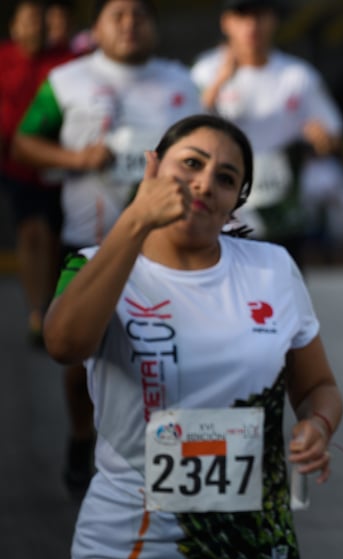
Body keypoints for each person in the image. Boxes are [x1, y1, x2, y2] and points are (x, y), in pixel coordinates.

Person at [42, 113, 343, 559]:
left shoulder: (273, 267)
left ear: (235, 202)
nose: (203, 184)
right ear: (154, 167)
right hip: (132, 540)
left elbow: (320, 387)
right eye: (191, 164)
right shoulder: (92, 266)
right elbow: (64, 345)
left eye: (225, 178)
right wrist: (135, 222)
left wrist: (317, 426)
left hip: (255, 540)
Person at [12, 0, 203, 497]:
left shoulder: (181, 82)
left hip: (169, 248)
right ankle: (81, 435)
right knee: (80, 364)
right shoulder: (67, 79)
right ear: (95, 26)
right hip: (88, 244)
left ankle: (166, 470)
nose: (128, 24)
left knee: (168, 360)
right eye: (116, 14)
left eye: (139, 14)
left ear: (154, 27)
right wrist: (76, 157)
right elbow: (23, 144)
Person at [191, 0, 343, 264]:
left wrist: (323, 139)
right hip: (224, 209)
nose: (251, 25)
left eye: (260, 15)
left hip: (282, 211)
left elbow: (332, 134)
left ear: (273, 20)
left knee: (281, 291)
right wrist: (219, 81)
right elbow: (184, 130)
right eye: (242, 15)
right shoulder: (205, 71)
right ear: (226, 22)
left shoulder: (297, 75)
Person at [0, 0, 74, 347]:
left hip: (64, 167)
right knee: (32, 232)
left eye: (42, 19)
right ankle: (36, 312)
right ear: (14, 25)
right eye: (28, 20)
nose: (36, 26)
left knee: (57, 238)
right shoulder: (3, 59)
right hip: (16, 166)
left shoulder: (68, 63)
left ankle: (56, 305)